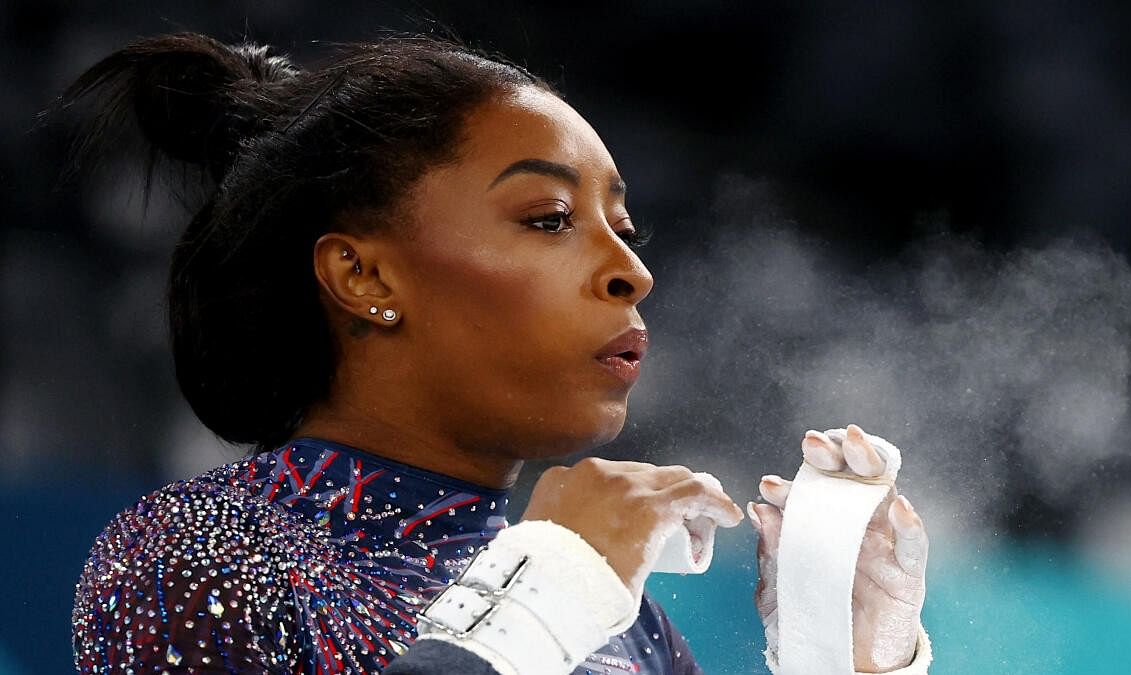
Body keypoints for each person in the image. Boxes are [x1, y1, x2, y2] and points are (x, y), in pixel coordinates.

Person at [57, 31, 932, 674]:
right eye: (549, 219)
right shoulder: (192, 556)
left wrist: (835, 655)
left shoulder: (628, 626)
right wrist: (545, 587)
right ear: (364, 275)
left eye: (622, 229)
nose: (633, 271)